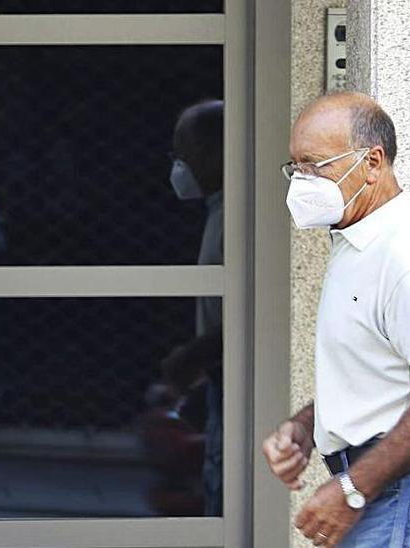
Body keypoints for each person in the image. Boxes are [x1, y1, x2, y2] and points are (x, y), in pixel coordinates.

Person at [261, 92, 410, 547]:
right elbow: (382, 376)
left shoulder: (406, 252)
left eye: (316, 165)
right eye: (295, 166)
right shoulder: (358, 241)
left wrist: (354, 488)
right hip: (385, 490)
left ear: (373, 163)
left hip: (401, 492)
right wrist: (308, 426)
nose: (302, 180)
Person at [157, 99, 225, 516]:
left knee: (222, 486)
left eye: (185, 152)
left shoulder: (237, 216)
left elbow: (241, 316)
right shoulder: (218, 211)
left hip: (226, 375)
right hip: (217, 377)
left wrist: (191, 357)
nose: (179, 164)